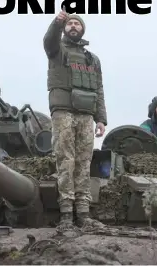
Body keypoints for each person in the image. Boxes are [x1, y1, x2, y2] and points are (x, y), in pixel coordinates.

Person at [43, 10, 108, 230]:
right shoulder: (57, 50)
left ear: (82, 29)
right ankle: (66, 216)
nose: (73, 26)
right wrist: (56, 22)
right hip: (63, 111)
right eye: (69, 23)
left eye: (76, 24)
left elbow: (99, 89)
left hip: (86, 114)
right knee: (66, 162)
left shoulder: (93, 59)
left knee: (83, 163)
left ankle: (84, 213)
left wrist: (101, 119)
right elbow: (48, 40)